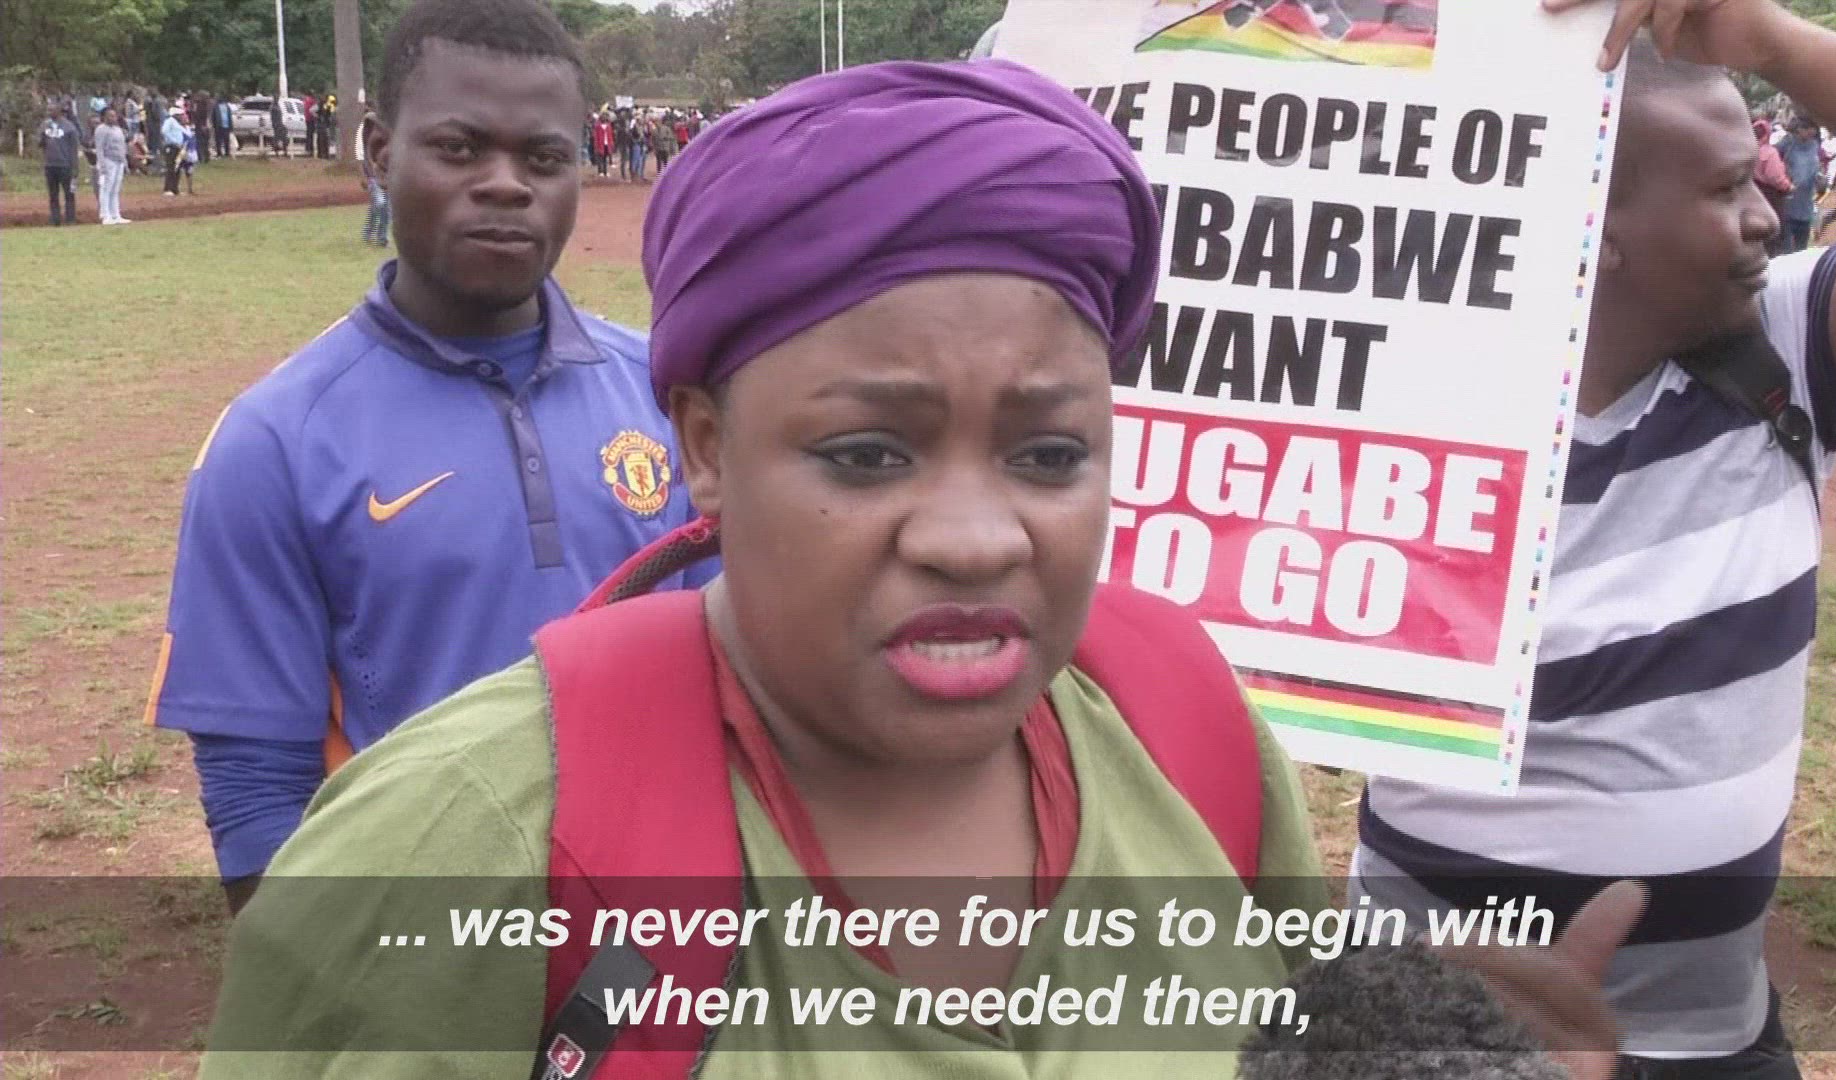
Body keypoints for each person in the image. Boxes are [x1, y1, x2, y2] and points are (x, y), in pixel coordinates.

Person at [196, 53, 1645, 1080]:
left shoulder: (1179, 723)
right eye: (868, 453)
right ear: (703, 447)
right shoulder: (463, 844)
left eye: (1050, 453)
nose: (975, 535)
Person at [1356, 0, 1836, 1077]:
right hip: (1426, 1037)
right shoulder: (1408, 397)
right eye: (1726, 187)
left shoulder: (1778, 357)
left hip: (1715, 1043)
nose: (1769, 213)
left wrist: (1778, 41)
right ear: (1593, 220)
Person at [145, 0, 715, 915]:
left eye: (544, 158)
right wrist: (320, 974)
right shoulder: (275, 441)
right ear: (379, 152)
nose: (506, 185)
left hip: (664, 925)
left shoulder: (666, 394)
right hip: (423, 938)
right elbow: (256, 788)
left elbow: (742, 675)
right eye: (459, 148)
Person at [1779, 114, 1823, 252]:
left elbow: (1816, 170)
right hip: (1788, 202)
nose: (1812, 132)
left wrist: (1820, 180)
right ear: (1799, 129)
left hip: (1805, 203)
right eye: (1808, 129)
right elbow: (1773, 161)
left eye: (1814, 129)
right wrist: (1784, 174)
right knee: (1786, 248)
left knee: (1801, 247)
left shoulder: (1815, 145)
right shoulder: (1787, 144)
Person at [1752, 119, 1794, 254]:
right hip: (1771, 195)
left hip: (1754, 191)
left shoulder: (1748, 150)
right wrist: (1788, 186)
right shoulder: (1770, 153)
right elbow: (1775, 177)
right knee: (1775, 229)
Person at [38, 100, 82, 227]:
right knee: (53, 195)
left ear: (59, 111)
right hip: (50, 165)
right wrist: (42, 137)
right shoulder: (45, 125)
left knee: (69, 194)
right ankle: (55, 219)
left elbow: (74, 149)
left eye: (52, 110)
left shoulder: (69, 127)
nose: (49, 112)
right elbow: (40, 144)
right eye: (48, 110)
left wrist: (75, 167)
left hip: (65, 165)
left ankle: (70, 219)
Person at [358, 108, 390, 247]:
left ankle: (375, 236)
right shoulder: (362, 141)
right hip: (371, 176)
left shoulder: (384, 137)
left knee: (381, 208)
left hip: (385, 176)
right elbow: (359, 158)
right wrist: (363, 176)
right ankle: (376, 235)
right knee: (381, 204)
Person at [95, 105, 129, 225]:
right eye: (110, 116)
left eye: (114, 116)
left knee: (115, 189)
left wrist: (125, 162)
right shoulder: (101, 129)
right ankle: (105, 215)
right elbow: (99, 148)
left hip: (118, 161)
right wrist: (102, 165)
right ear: (104, 117)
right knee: (106, 188)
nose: (113, 118)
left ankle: (116, 214)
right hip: (108, 160)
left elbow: (122, 146)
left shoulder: (118, 129)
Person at [161, 107, 187, 196]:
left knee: (177, 168)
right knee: (171, 167)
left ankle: (175, 189)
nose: (181, 116)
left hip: (177, 147)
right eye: (180, 115)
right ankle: (167, 188)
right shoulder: (169, 121)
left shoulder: (176, 123)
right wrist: (173, 141)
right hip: (171, 146)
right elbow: (164, 131)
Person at [651, 109, 676, 175]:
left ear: (660, 122)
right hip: (658, 148)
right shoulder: (654, 131)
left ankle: (666, 174)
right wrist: (654, 149)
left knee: (666, 162)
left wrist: (666, 138)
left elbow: (671, 137)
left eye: (657, 122)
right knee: (659, 162)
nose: (656, 123)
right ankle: (659, 174)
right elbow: (652, 140)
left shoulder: (666, 128)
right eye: (655, 122)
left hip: (665, 147)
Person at [317, 93, 336, 159]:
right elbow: (331, 114)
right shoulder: (326, 105)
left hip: (323, 124)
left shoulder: (323, 105)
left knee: (323, 140)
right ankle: (325, 155)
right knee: (325, 139)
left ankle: (323, 154)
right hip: (325, 124)